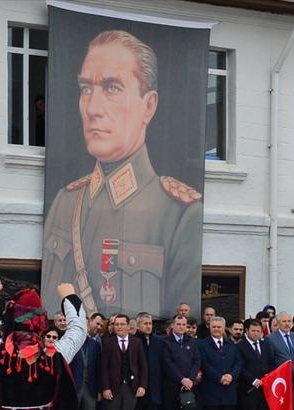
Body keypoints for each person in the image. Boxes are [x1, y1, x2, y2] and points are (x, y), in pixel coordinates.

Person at [41, 30, 202, 317]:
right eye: (86, 89)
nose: (93, 108)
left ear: (148, 106)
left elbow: (179, 321)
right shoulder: (65, 203)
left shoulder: (177, 215)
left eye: (112, 88)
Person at [100, 313, 147, 410]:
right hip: (114, 388)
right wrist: (105, 388)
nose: (119, 327)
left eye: (122, 324)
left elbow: (143, 366)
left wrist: (142, 386)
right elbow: (104, 368)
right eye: (116, 324)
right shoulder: (107, 342)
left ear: (128, 326)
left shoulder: (136, 343)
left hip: (131, 388)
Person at [197, 316, 241, 410]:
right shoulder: (203, 345)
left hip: (228, 390)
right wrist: (219, 377)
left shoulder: (231, 345)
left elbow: (238, 364)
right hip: (211, 389)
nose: (216, 329)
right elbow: (204, 364)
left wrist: (231, 376)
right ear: (210, 327)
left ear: (224, 328)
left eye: (219, 327)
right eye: (214, 326)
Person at [159, 314, 200, 410]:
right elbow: (167, 363)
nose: (182, 327)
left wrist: (190, 379)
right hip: (171, 385)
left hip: (188, 386)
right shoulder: (165, 342)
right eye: (179, 324)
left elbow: (196, 361)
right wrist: (181, 379)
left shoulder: (192, 342)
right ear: (173, 325)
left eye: (184, 325)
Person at [235, 318, 274, 410]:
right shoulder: (240, 346)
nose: (256, 333)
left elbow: (270, 363)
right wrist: (253, 380)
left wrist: (268, 376)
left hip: (264, 388)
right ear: (247, 331)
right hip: (248, 389)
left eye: (259, 331)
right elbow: (240, 367)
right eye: (254, 331)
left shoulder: (265, 345)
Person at [131, 312, 164, 410]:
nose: (148, 326)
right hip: (136, 388)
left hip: (154, 388)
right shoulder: (133, 341)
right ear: (137, 325)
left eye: (150, 323)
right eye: (145, 323)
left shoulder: (158, 341)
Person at [265, 312, 294, 410]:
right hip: (280, 382)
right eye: (284, 321)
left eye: (289, 321)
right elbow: (269, 361)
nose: (287, 324)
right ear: (278, 323)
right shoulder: (270, 338)